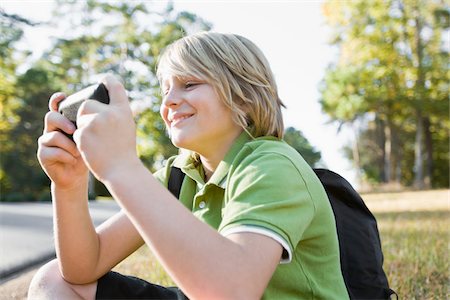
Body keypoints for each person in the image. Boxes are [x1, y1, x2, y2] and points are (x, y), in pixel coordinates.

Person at [29, 31, 349, 299]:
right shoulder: (179, 173)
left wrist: (122, 168)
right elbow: (83, 267)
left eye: (189, 84)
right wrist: (68, 186)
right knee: (54, 279)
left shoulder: (272, 165)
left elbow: (231, 292)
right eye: (166, 89)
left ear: (243, 94)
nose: (168, 101)